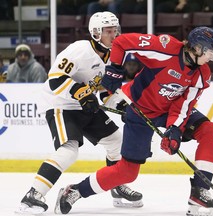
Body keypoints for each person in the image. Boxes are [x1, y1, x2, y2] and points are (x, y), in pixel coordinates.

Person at [56, 27, 213, 216]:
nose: (212, 57)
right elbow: (121, 42)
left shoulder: (202, 73)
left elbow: (184, 103)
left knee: (212, 131)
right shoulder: (165, 48)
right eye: (210, 52)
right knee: (127, 172)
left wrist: (174, 129)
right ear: (197, 48)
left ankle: (199, 193)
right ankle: (76, 190)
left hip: (169, 110)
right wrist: (115, 69)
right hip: (140, 108)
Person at [16, 11, 143, 215]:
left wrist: (122, 107)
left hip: (85, 104)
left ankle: (116, 186)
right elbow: (55, 79)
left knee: (116, 141)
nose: (114, 35)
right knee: (69, 150)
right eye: (108, 31)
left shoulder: (115, 56)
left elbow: (105, 91)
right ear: (95, 33)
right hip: (61, 104)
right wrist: (82, 93)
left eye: (115, 30)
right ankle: (33, 195)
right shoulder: (79, 50)